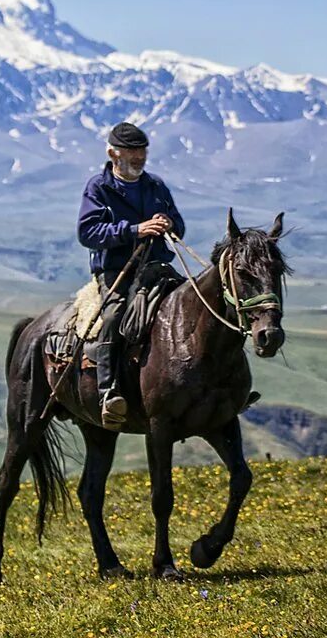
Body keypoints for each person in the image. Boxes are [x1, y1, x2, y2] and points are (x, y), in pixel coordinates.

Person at [76, 121, 186, 430]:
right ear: (113, 153)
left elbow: (178, 224)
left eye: (142, 152)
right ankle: (108, 393)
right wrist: (134, 230)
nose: (139, 158)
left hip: (156, 266)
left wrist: (168, 222)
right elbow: (88, 232)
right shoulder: (98, 187)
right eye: (132, 152)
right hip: (116, 270)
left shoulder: (156, 185)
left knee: (197, 307)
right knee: (113, 316)